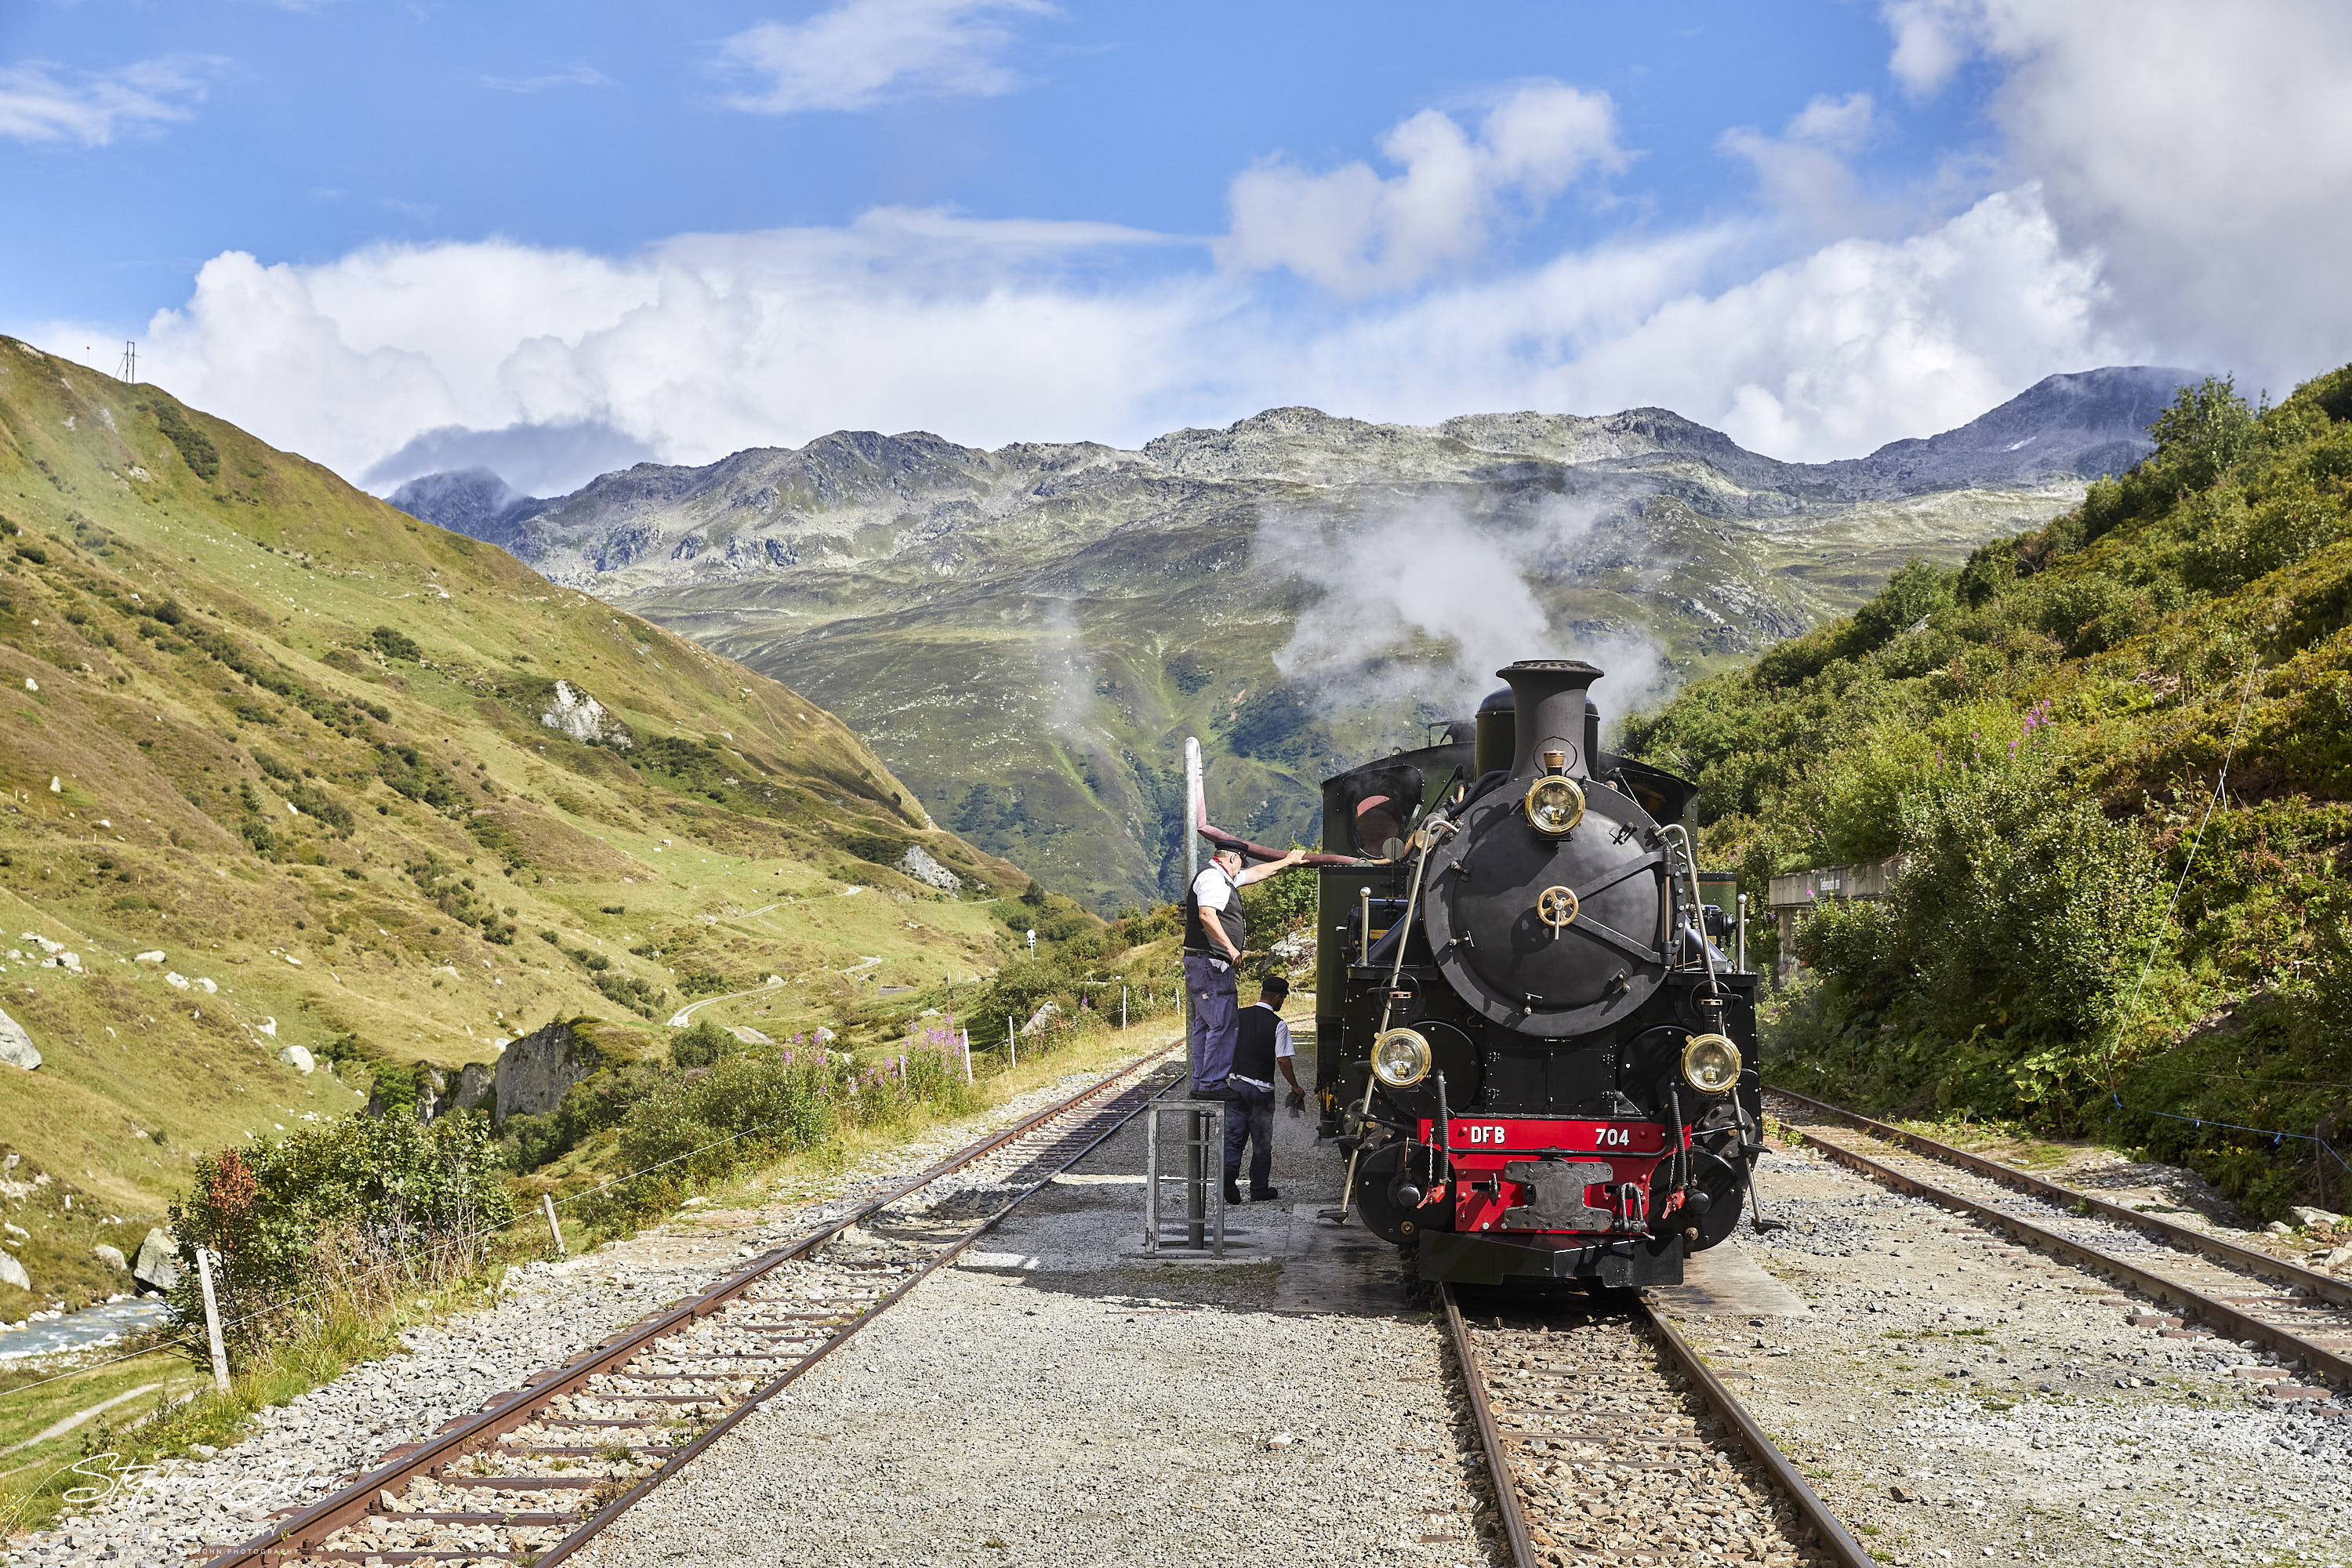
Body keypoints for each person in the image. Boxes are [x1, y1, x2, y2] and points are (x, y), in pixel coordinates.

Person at [1183, 842, 1304, 1115]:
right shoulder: (1213, 878)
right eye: (1241, 864)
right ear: (1233, 859)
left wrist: (1287, 861)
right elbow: (1206, 915)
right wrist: (1230, 948)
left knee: (1206, 1024)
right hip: (1212, 962)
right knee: (1223, 1023)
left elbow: (1257, 873)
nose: (1243, 871)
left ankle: (1203, 1081)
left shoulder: (1223, 876)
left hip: (1206, 962)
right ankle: (1211, 1083)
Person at [1225, 975, 1306, 1203]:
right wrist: (1295, 1085)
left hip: (1237, 1086)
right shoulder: (1278, 1025)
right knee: (1261, 1143)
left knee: (1233, 1140)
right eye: (1283, 999)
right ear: (1279, 998)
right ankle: (1259, 1189)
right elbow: (1283, 1060)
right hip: (1261, 1092)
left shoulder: (1239, 1016)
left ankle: (1228, 1179)